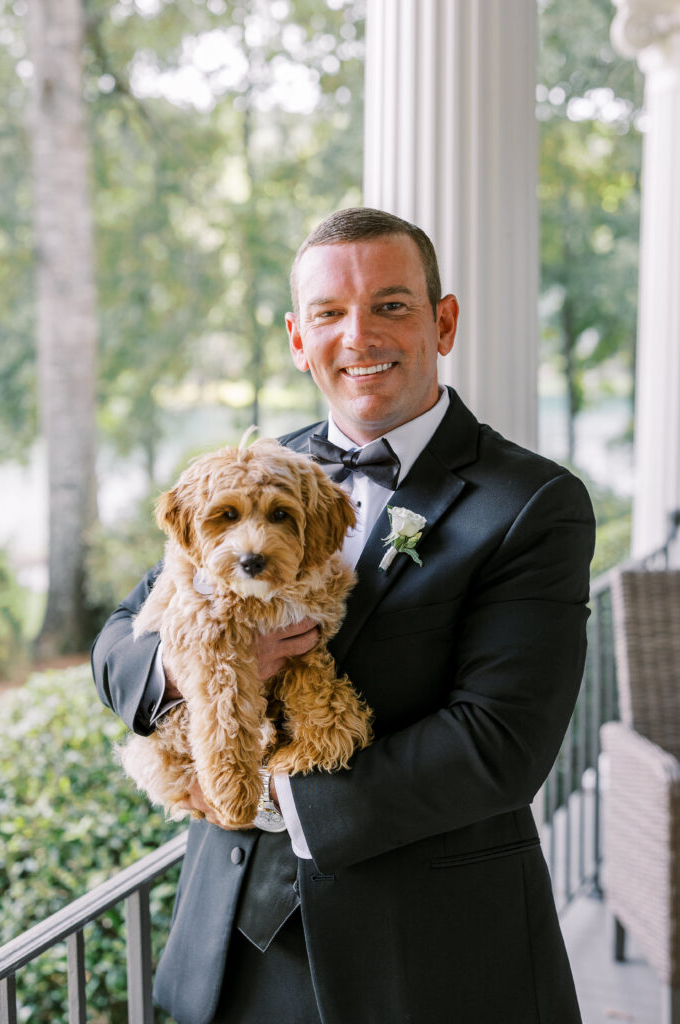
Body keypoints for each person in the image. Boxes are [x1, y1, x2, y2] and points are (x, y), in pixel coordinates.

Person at [92, 207, 595, 1024]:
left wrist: (274, 801)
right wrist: (195, 669)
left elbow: (499, 744)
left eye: (390, 305)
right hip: (225, 953)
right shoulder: (255, 473)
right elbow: (118, 640)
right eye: (329, 313)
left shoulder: (532, 502)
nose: (358, 335)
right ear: (299, 339)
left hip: (422, 961)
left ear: (443, 320)